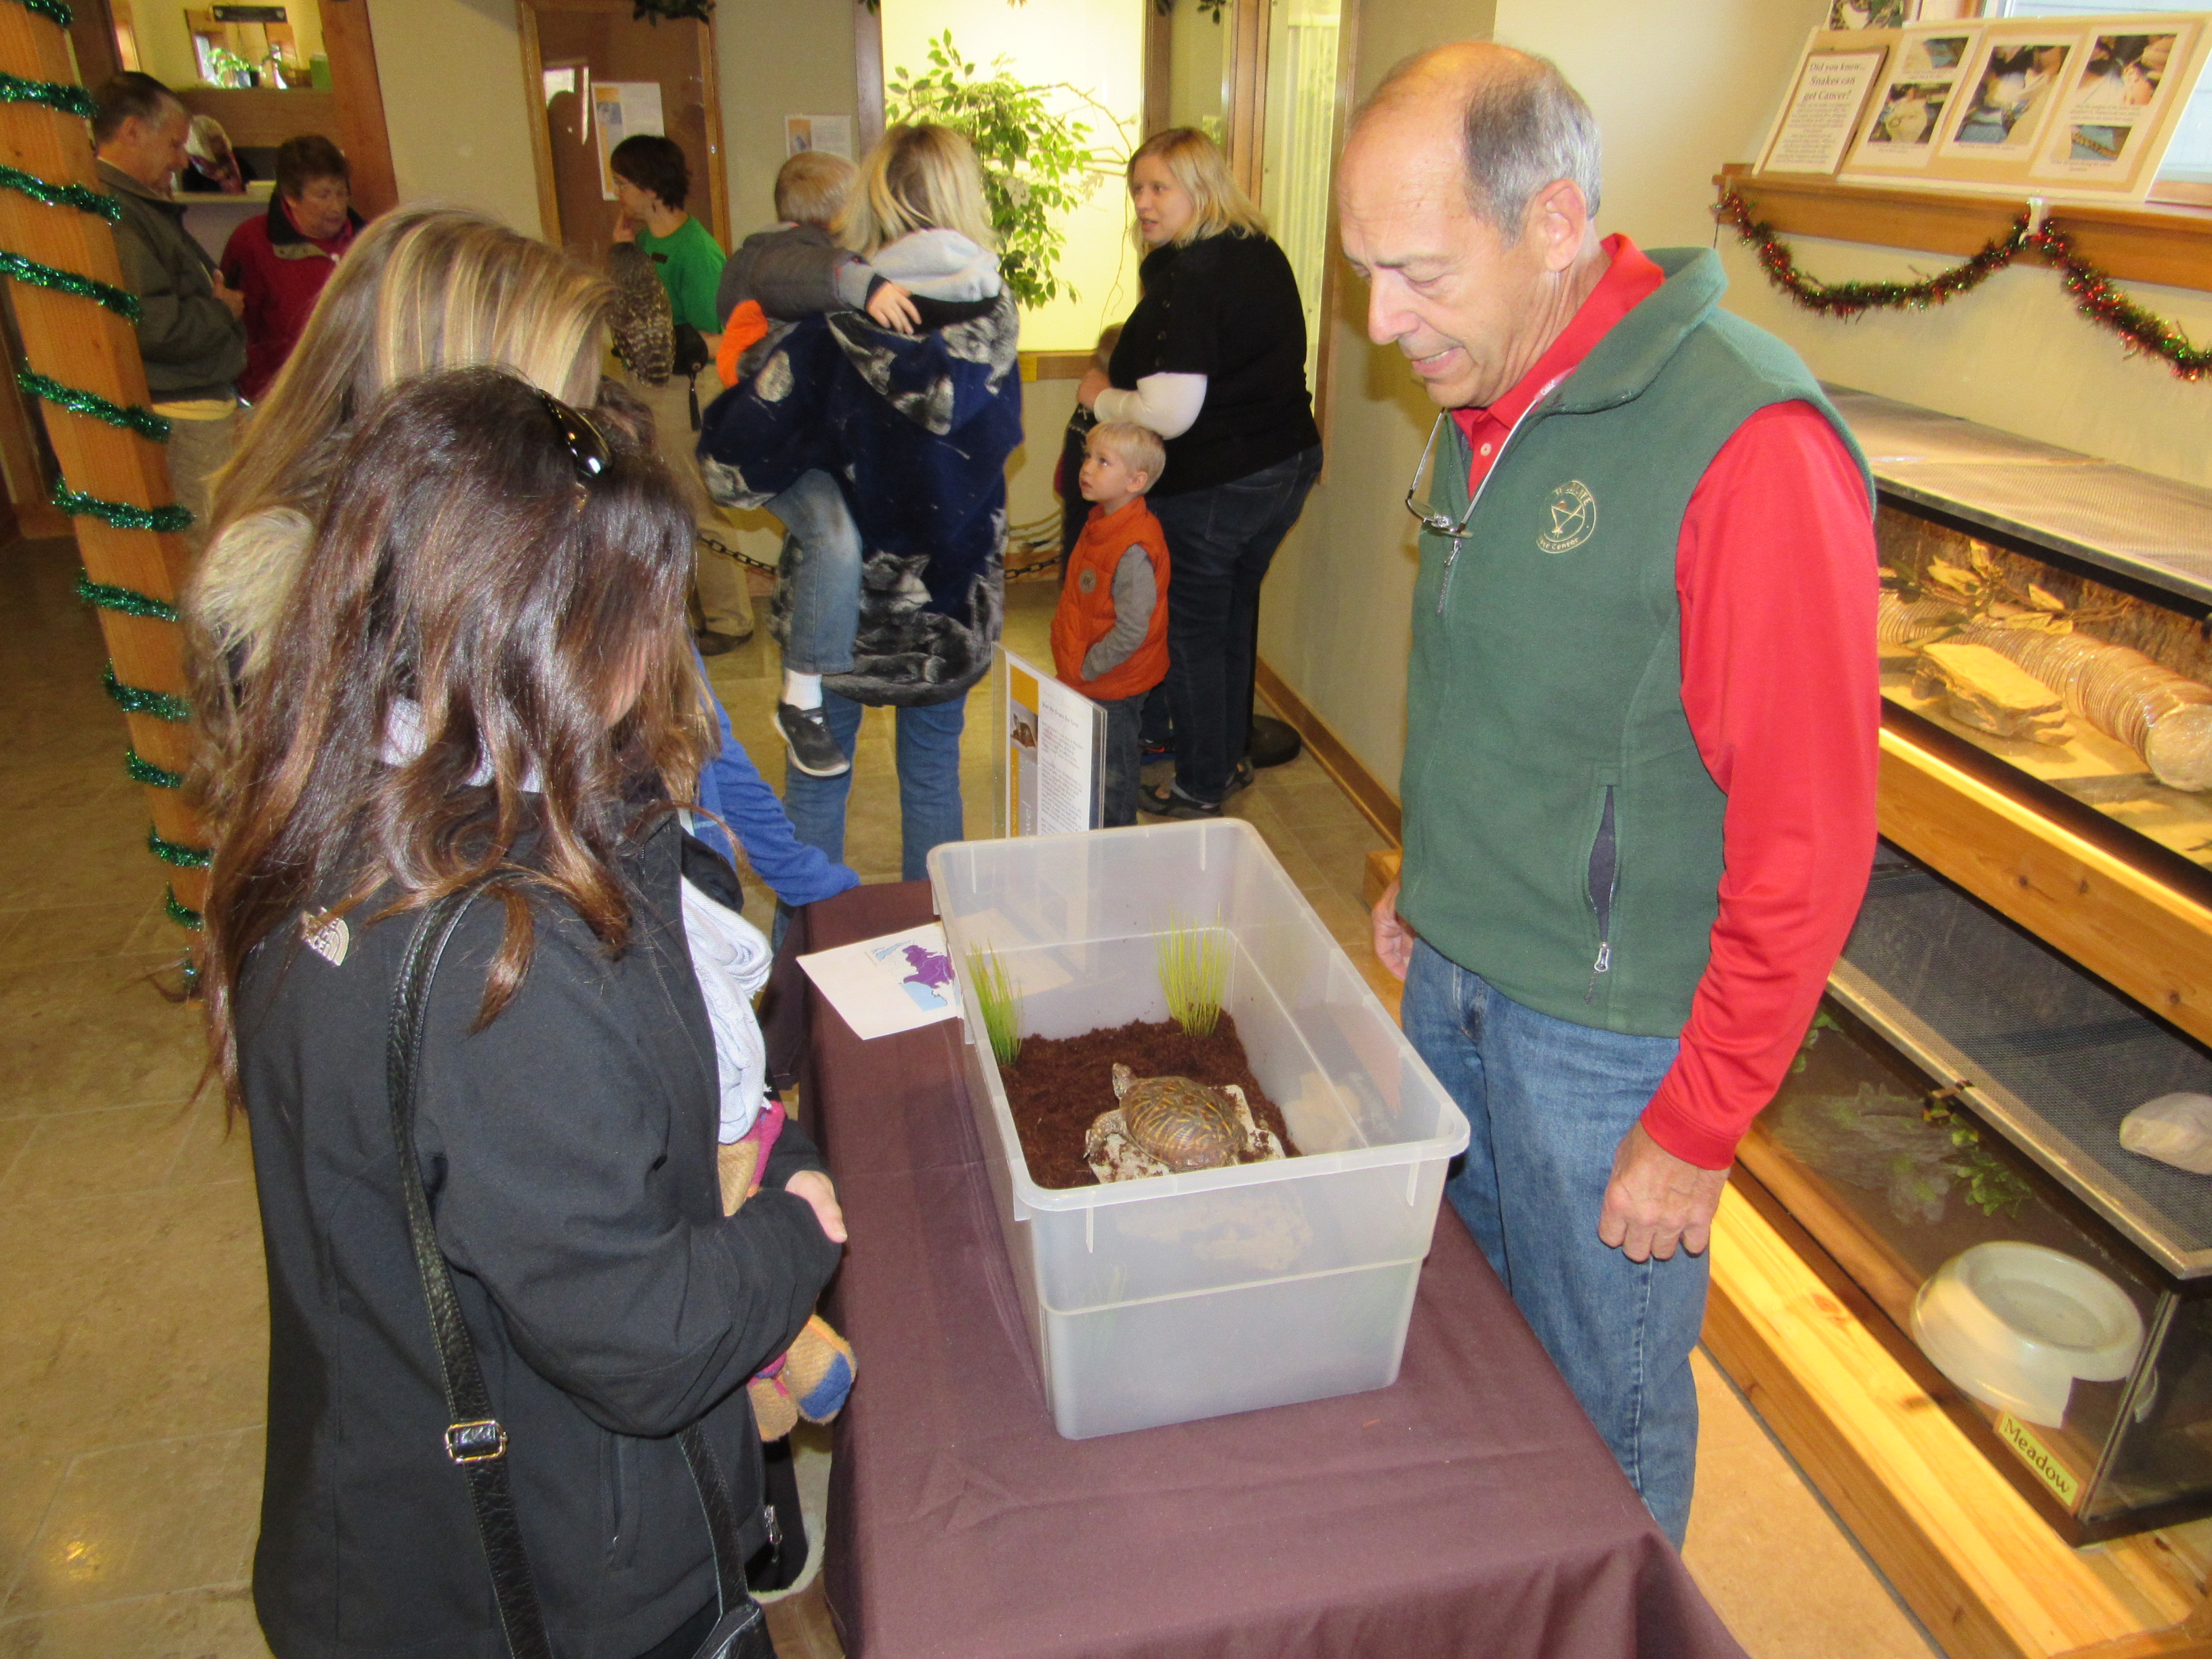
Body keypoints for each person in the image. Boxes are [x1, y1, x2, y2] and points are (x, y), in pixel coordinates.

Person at [199, 365, 846, 1659]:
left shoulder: (318, 818)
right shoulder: (507, 963)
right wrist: (795, 1229)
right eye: (636, 617)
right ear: (539, 640)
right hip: (550, 1577)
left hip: (387, 1516)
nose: (659, 654)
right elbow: (645, 1339)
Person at [1341, 44, 1878, 1547]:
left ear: (1556, 223)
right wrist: (1430, 876)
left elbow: (1810, 837)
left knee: (1603, 1424)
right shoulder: (1484, 373)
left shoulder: (1748, 443)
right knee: (1468, 1358)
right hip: (1454, 978)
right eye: (1364, 273)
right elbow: (1498, 678)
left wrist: (1696, 1124)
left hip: (1608, 1046)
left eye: (1417, 274)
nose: (1382, 323)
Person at [186, 205, 856, 916]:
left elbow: (698, 723)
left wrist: (814, 887)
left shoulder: (576, 523)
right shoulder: (334, 633)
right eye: (563, 408)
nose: (583, 439)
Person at [700, 123, 1022, 882]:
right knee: (934, 780)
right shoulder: (997, 314)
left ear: (872, 200)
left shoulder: (827, 324)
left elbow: (729, 471)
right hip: (948, 608)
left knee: (818, 787)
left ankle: (811, 946)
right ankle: (933, 940)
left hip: (838, 615)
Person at [1076, 127, 1322, 821]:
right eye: (1137, 189)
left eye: (1160, 188)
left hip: (1220, 480)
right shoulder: (1258, 250)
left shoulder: (1193, 274)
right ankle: (1227, 755)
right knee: (1232, 614)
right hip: (1285, 464)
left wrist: (1100, 398)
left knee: (1193, 632)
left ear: (1202, 189)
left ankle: (1199, 786)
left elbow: (1170, 412)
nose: (1144, 203)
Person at [710, 149, 951, 781]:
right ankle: (801, 697)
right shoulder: (775, 254)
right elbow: (798, 273)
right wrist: (865, 284)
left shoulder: (796, 258)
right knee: (833, 535)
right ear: (838, 214)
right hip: (767, 445)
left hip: (801, 441)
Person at [609, 132, 755, 653]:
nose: (618, 193)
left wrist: (675, 345)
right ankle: (688, 613)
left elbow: (727, 336)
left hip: (684, 391)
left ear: (651, 188)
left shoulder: (697, 251)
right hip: (645, 384)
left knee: (697, 505)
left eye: (623, 183)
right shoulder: (642, 243)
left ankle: (730, 619)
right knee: (662, 506)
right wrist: (621, 252)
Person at [92, 72, 248, 543]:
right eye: (175, 144)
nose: (182, 161)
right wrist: (222, 311)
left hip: (200, 400)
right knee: (210, 548)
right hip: (182, 411)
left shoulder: (140, 205)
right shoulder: (118, 211)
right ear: (132, 131)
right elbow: (150, 323)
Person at [1052, 420, 1171, 829]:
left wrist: (1088, 667)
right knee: (1093, 765)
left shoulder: (1133, 546)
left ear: (1136, 481)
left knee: (1113, 775)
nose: (1087, 467)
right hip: (1092, 675)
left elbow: (1133, 629)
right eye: (1088, 456)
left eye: (1104, 461)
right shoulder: (1101, 524)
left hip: (1114, 683)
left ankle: (1118, 842)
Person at [220, 134, 363, 403]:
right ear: (291, 197)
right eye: (323, 195)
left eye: (342, 193)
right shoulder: (251, 242)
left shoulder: (367, 241)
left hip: (357, 390)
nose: (337, 206)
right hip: (286, 396)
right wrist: (265, 397)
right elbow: (240, 331)